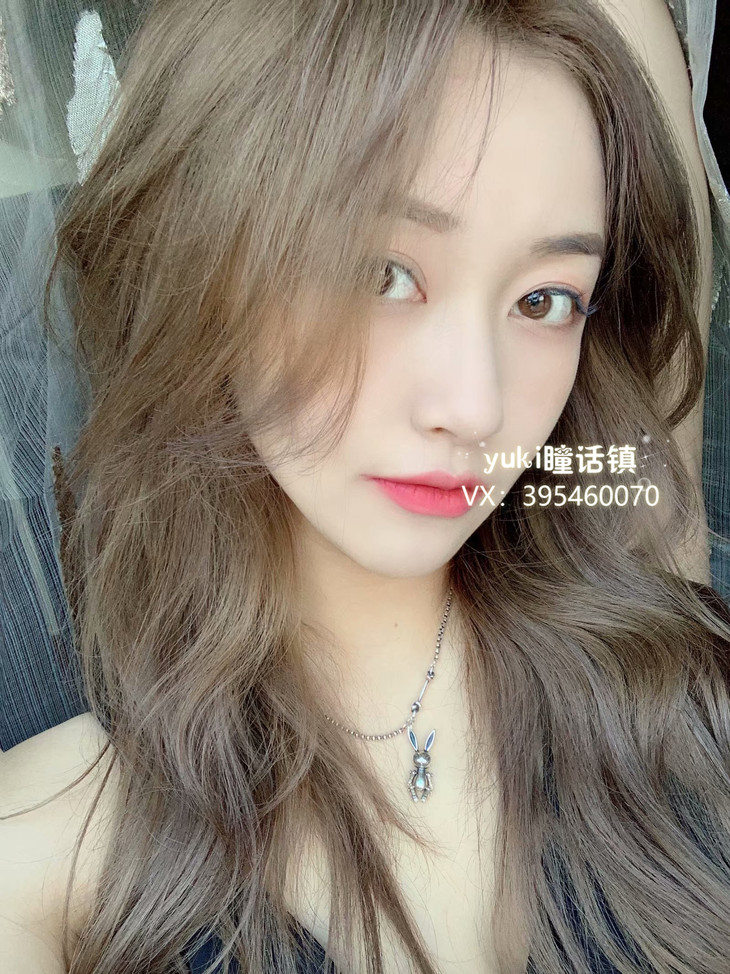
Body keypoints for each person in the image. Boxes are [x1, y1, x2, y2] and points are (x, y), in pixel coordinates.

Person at [1, 2, 730, 974]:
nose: (473, 406)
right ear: (203, 256)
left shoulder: (683, 704)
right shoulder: (46, 854)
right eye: (384, 273)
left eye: (544, 299)